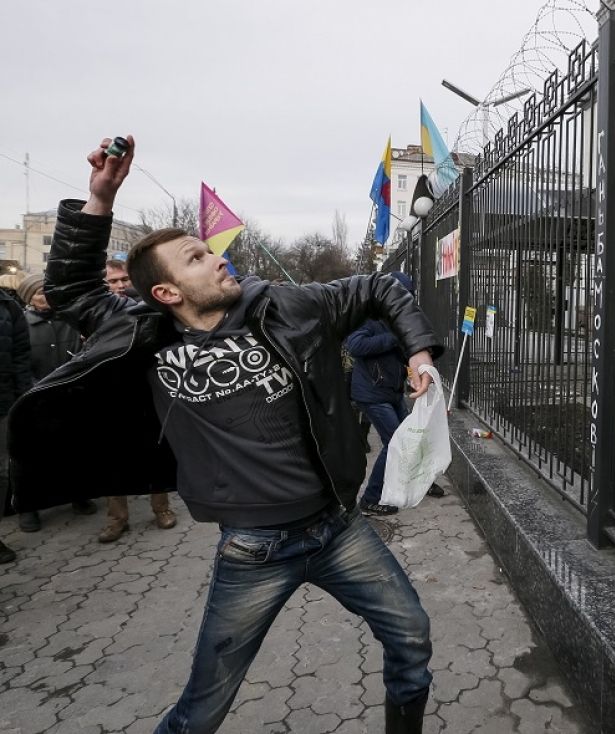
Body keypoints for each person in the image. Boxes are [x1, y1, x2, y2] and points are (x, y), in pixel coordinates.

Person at [9, 136, 442, 733]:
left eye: (208, 250)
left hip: (338, 529)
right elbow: (70, 290)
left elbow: (379, 288)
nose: (216, 258)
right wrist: (100, 198)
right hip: (253, 550)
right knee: (202, 709)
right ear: (167, 293)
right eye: (195, 258)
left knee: (413, 638)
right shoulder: (143, 334)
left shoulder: (284, 306)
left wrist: (419, 355)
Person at [346, 272, 444, 515]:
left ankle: (421, 482)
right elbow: (355, 346)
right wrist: (393, 337)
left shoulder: (399, 320)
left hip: (392, 391)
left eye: (408, 297)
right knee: (394, 442)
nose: (403, 302)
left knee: (413, 437)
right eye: (400, 296)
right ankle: (370, 498)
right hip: (371, 393)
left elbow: (404, 354)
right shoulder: (367, 317)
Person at [98, 258, 177, 542]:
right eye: (113, 281)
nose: (119, 285)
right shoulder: (97, 313)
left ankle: (162, 509)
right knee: (112, 459)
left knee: (154, 451)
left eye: (124, 280)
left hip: (146, 391)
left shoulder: (150, 309)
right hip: (109, 393)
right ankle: (116, 519)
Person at [15, 273, 96, 532]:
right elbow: (19, 361)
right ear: (29, 298)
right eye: (40, 293)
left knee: (72, 448)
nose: (46, 297)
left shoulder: (69, 320)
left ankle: (77, 496)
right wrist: (34, 389)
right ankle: (29, 508)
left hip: (70, 394)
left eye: (49, 291)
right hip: (35, 397)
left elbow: (85, 352)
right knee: (32, 455)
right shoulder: (22, 323)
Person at [0, 285, 32, 563]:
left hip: (4, 401)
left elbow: (21, 355)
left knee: (3, 471)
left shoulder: (8, 306)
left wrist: (23, 399)